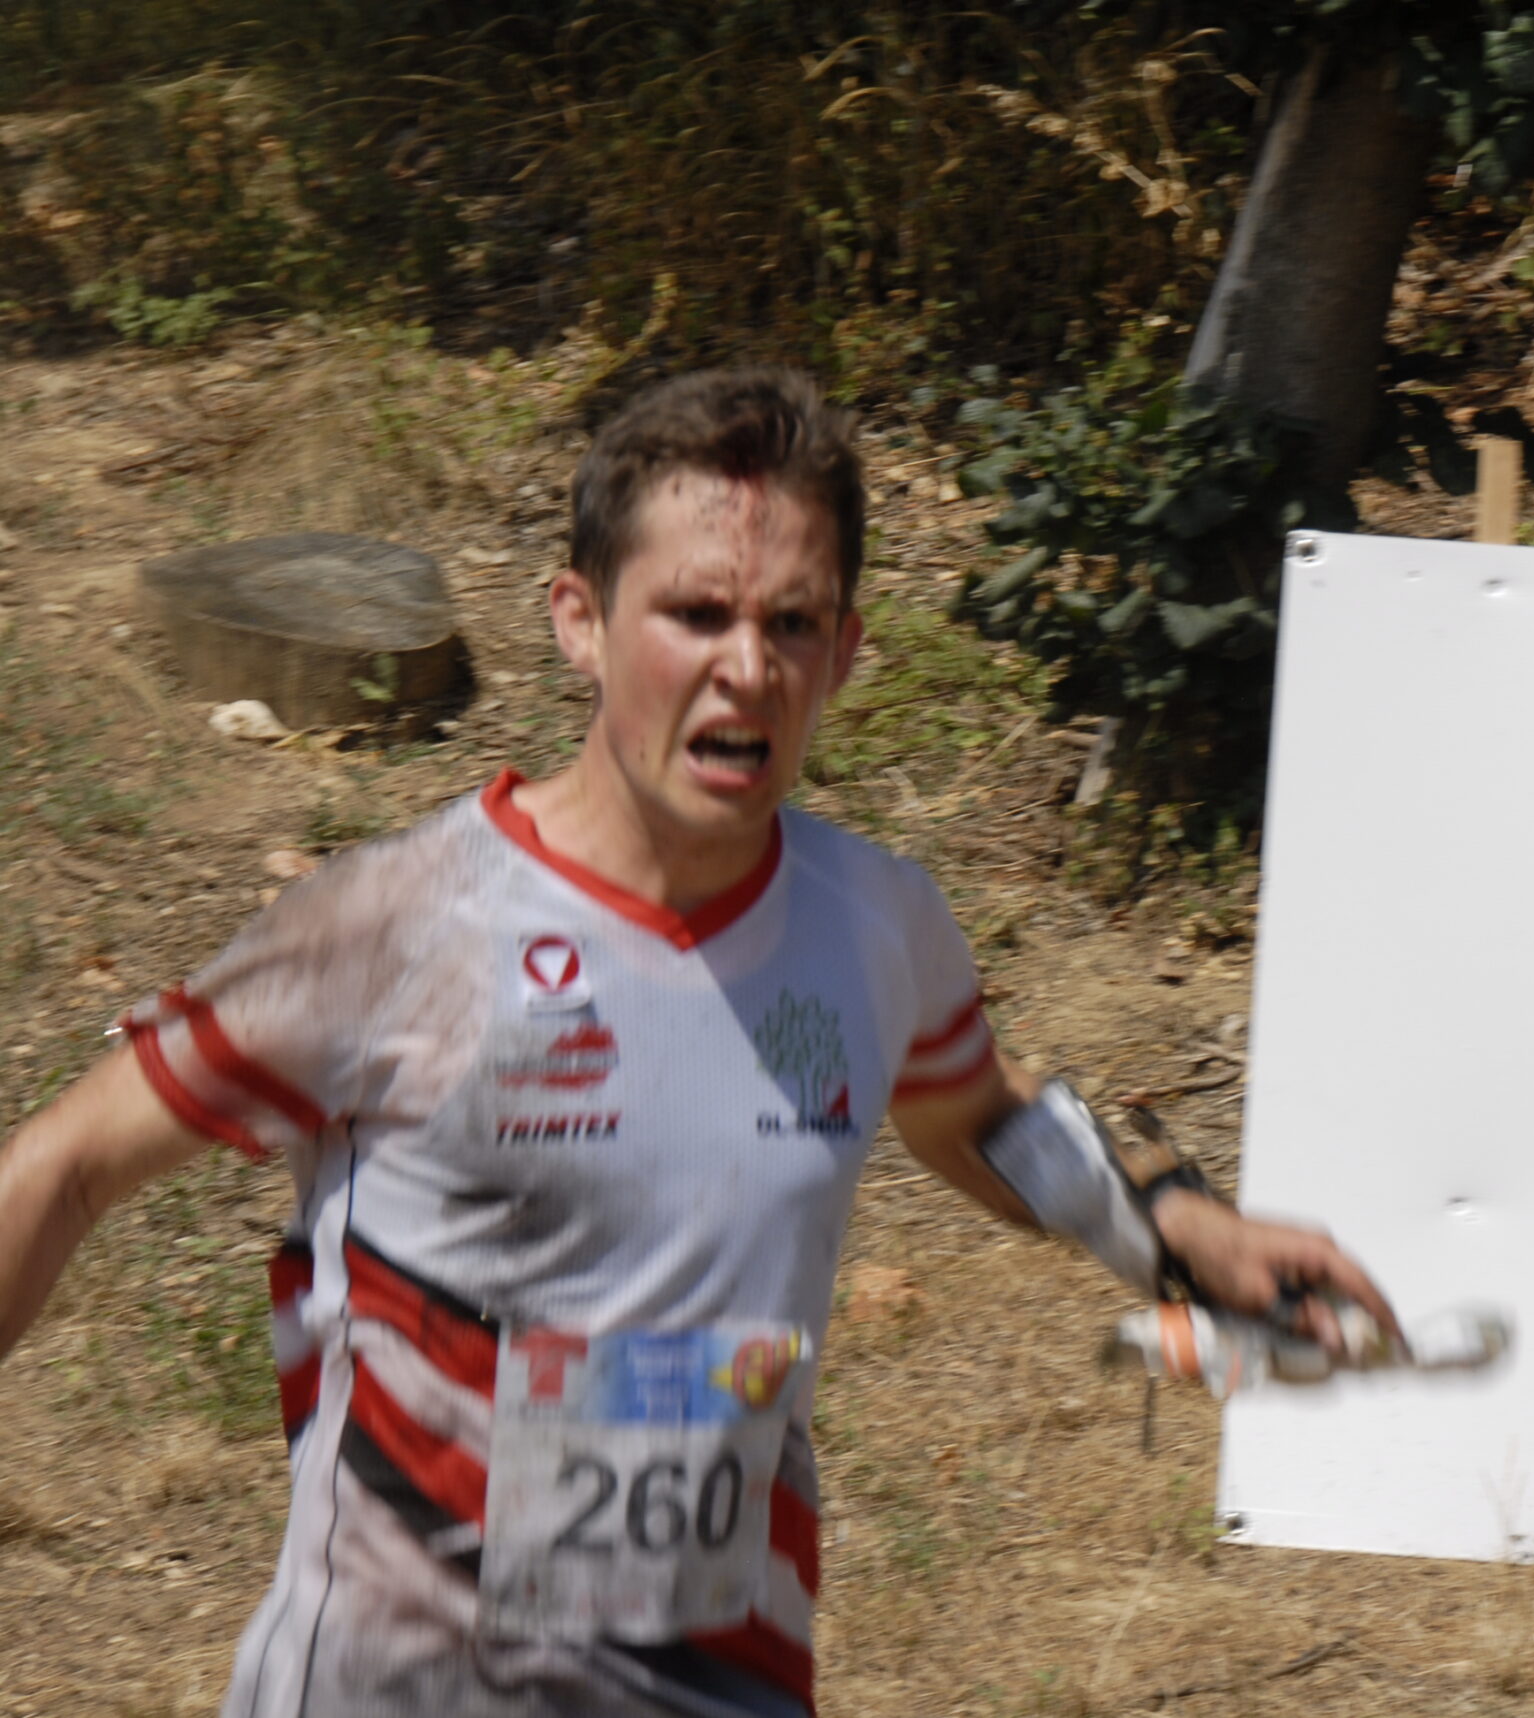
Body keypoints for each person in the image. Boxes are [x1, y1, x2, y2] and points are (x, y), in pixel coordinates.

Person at [0, 368, 1394, 1718]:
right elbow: (64, 1166)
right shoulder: (399, 924)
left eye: (793, 622)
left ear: (845, 651)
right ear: (580, 623)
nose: (748, 667)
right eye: (696, 613)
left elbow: (974, 1108)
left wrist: (1178, 1231)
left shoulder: (877, 924)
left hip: (716, 1676)